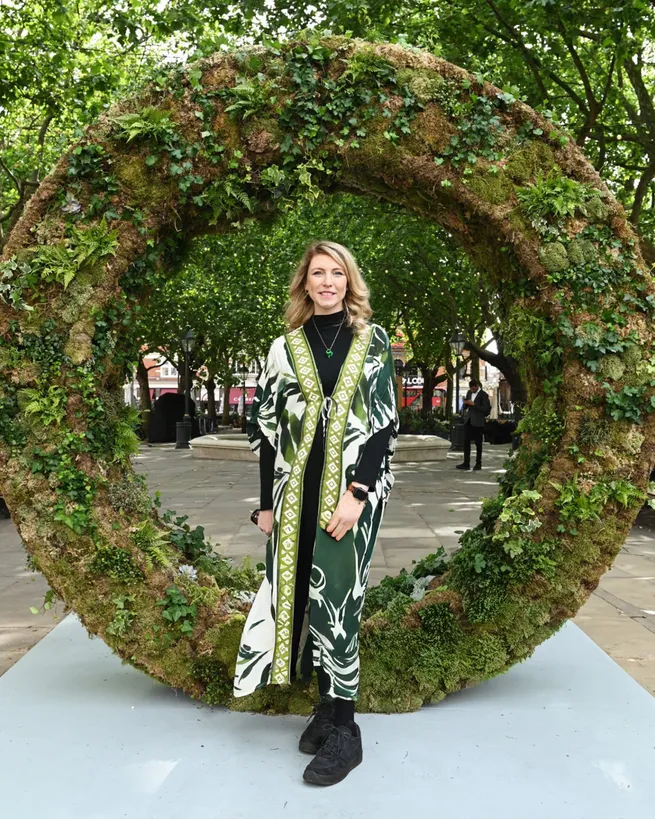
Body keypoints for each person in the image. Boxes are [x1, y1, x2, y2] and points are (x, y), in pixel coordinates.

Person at [233, 240, 399, 786]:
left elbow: (382, 425)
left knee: (340, 596)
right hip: (293, 492)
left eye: (337, 273)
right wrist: (264, 505)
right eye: (317, 273)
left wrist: (358, 491)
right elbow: (268, 430)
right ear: (304, 283)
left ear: (350, 281)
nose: (327, 281)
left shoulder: (374, 342)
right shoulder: (284, 347)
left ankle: (347, 731)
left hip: (350, 494)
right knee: (302, 590)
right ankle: (325, 709)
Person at [456, 378, 491, 471]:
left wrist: (474, 404)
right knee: (466, 441)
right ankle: (466, 462)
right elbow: (466, 406)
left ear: (477, 386)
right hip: (469, 420)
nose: (472, 390)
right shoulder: (469, 393)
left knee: (478, 443)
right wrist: (465, 403)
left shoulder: (484, 395)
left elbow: (485, 409)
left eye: (474, 389)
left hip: (478, 422)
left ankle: (478, 463)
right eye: (471, 389)